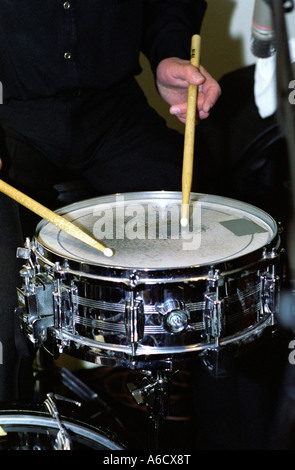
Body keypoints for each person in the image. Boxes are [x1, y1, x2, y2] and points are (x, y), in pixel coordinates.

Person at [0, 1, 221, 405]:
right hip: (10, 118)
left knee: (196, 231)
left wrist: (168, 51)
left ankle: (169, 406)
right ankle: (13, 419)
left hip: (114, 110)